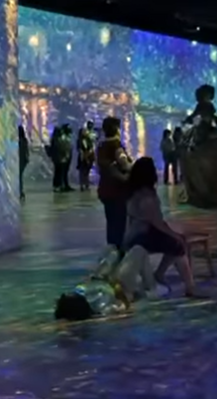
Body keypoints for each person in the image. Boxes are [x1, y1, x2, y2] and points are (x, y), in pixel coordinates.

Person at [122, 157, 200, 298]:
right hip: (142, 235)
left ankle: (161, 274)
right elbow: (157, 223)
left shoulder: (134, 193)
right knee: (178, 244)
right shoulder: (147, 197)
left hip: (135, 234)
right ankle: (189, 287)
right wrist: (175, 235)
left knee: (174, 244)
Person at [96, 116, 132, 260]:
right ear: (116, 129)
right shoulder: (116, 145)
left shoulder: (101, 146)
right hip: (118, 190)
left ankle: (112, 248)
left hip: (105, 189)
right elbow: (124, 163)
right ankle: (120, 250)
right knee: (120, 221)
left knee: (111, 220)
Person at [76, 123, 96, 191]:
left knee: (87, 171)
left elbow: (91, 147)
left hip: (89, 157)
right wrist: (84, 155)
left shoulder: (89, 140)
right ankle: (82, 185)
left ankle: (87, 184)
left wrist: (90, 154)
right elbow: (79, 149)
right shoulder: (79, 140)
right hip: (82, 157)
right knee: (82, 171)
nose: (85, 132)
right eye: (84, 131)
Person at [18, 125, 29, 201]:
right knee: (20, 177)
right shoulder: (24, 140)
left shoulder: (19, 142)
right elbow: (26, 151)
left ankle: (20, 191)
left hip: (20, 160)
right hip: (23, 160)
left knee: (19, 177)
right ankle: (21, 191)